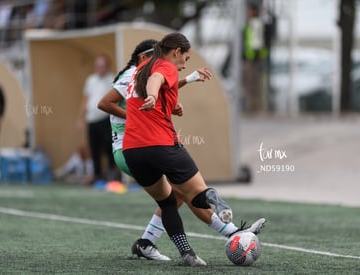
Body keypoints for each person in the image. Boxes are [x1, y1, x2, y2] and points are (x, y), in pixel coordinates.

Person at [98, 39, 265, 262]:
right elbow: (154, 82)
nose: (184, 64)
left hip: (132, 150)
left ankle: (160, 246)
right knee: (190, 192)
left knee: (171, 199)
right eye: (184, 58)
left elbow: (158, 87)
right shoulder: (155, 68)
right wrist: (153, 97)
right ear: (172, 53)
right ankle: (231, 230)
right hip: (154, 143)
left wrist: (173, 93)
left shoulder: (139, 72)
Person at [77, 54, 116, 184]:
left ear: (107, 67)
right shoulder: (91, 80)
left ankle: (111, 172)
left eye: (102, 66)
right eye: (98, 66)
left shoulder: (112, 79)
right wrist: (80, 118)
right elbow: (85, 99)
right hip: (91, 119)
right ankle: (97, 174)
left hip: (105, 118)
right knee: (93, 148)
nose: (100, 68)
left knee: (109, 146)